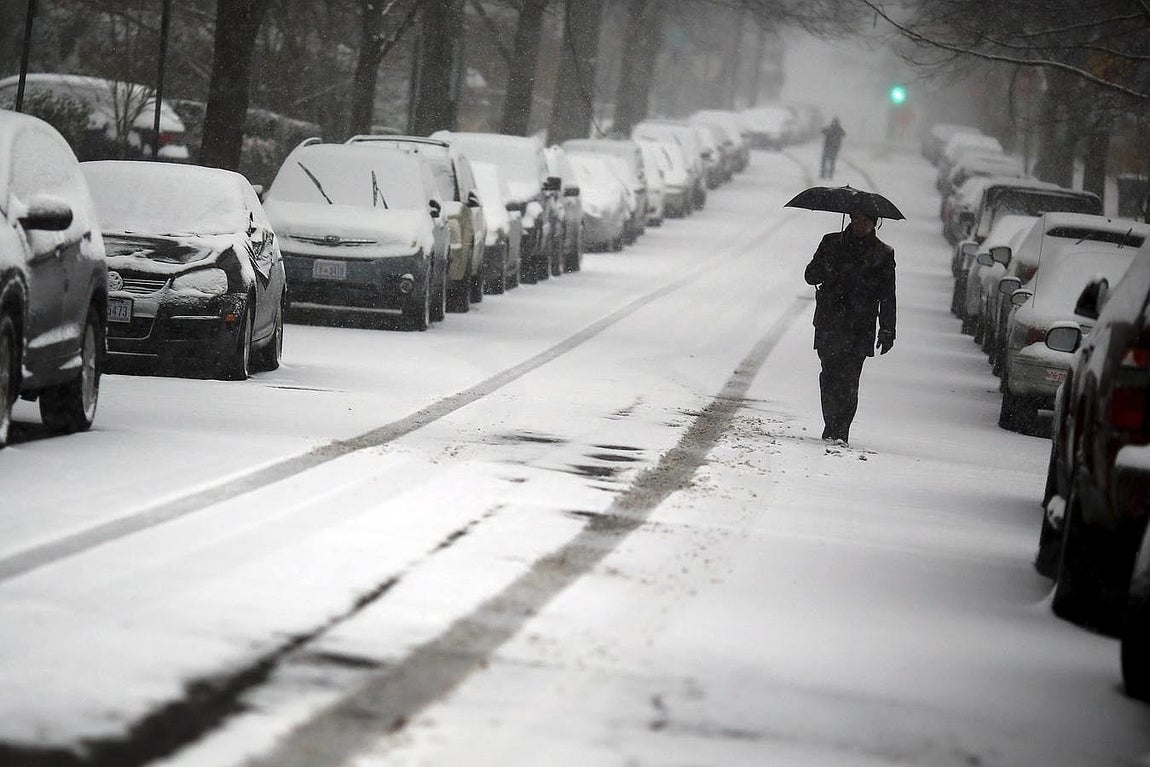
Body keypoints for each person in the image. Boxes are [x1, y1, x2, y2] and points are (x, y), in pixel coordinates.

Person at [803, 204, 896, 446]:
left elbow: (888, 294)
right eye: (856, 219)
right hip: (829, 321)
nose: (859, 225)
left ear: (874, 223)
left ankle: (841, 429)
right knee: (830, 374)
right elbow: (810, 276)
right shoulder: (831, 243)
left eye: (865, 221)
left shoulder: (883, 254)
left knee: (850, 378)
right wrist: (826, 266)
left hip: (860, 325)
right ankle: (831, 423)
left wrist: (888, 329)